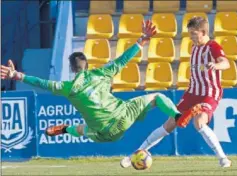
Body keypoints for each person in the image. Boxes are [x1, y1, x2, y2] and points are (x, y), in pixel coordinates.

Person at [1, 20, 190, 143]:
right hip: (123, 116)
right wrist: (142, 39)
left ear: (71, 69)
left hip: (105, 134)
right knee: (157, 97)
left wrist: (17, 75)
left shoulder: (67, 88)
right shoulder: (101, 73)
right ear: (87, 65)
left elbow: (41, 83)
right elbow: (123, 59)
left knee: (84, 129)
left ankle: (66, 129)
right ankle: (177, 116)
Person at [120, 17, 232, 168]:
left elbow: (226, 63)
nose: (191, 37)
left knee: (199, 122)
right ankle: (134, 154)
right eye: (189, 33)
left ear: (204, 32)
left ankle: (223, 158)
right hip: (192, 93)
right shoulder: (194, 47)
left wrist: (216, 65)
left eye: (193, 33)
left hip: (209, 93)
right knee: (169, 124)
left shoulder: (213, 46)